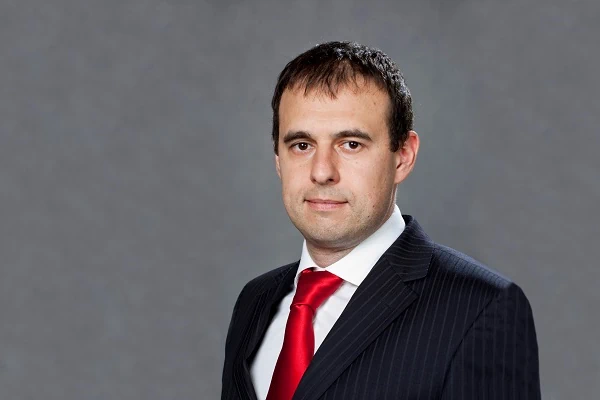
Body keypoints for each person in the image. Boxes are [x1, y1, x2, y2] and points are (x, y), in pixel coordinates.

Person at [221, 41, 541, 400]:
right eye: (302, 145)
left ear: (403, 156)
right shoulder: (255, 301)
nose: (322, 172)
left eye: (351, 144)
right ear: (278, 160)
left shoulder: (481, 309)